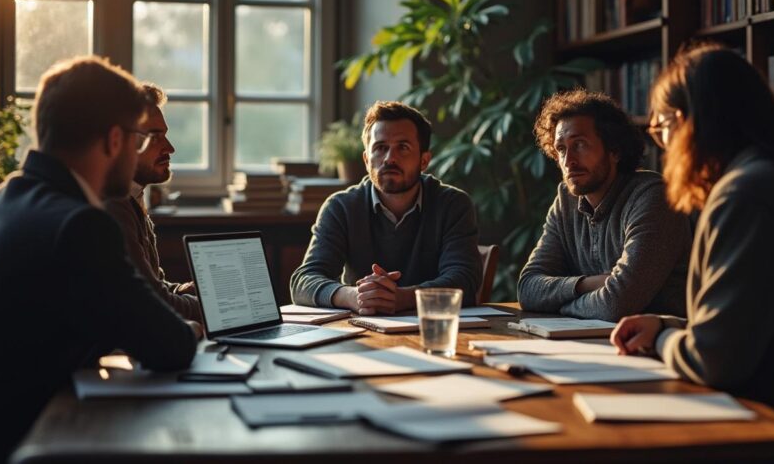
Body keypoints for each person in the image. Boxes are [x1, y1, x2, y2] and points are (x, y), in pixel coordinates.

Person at [0, 56, 198, 461]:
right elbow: (169, 345)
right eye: (138, 140)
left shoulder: (1, 200)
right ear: (115, 141)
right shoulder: (81, 225)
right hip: (32, 445)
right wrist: (190, 327)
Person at [611, 44, 774, 420]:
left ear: (684, 123)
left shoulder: (745, 195)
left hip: (769, 421)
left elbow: (714, 360)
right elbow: (754, 321)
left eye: (662, 130)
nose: (664, 149)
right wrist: (667, 326)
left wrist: (661, 339)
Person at [290, 101, 482, 314]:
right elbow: (304, 281)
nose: (390, 158)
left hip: (433, 326)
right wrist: (354, 296)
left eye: (403, 147)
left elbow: (465, 279)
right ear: (366, 159)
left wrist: (403, 298)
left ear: (424, 160)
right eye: (380, 148)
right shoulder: (341, 207)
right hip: (363, 328)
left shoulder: (453, 205)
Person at [519, 89, 690, 322]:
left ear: (614, 150)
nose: (568, 161)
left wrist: (559, 305)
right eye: (561, 149)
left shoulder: (653, 197)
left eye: (580, 145)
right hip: (588, 340)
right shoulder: (566, 201)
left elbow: (616, 305)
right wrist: (586, 284)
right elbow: (527, 288)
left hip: (657, 340)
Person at [105, 83, 202, 322]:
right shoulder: (112, 205)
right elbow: (154, 304)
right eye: (155, 137)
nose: (170, 148)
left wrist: (184, 290)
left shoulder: (133, 196)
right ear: (118, 140)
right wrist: (218, 306)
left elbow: (152, 286)